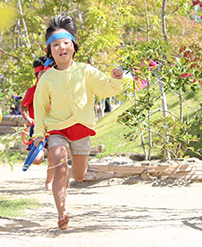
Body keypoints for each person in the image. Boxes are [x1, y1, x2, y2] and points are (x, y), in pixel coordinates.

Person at [33, 15, 124, 230]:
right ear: (50, 51)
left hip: (81, 128)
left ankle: (61, 172)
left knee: (80, 175)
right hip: (57, 129)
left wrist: (115, 80)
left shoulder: (86, 71)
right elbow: (39, 109)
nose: (61, 48)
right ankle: (62, 213)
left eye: (65, 43)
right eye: (55, 45)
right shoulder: (46, 79)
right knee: (61, 166)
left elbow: (106, 89)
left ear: (74, 47)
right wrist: (38, 135)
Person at [20, 56, 54, 190]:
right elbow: (23, 106)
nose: (45, 77)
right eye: (42, 74)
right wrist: (27, 118)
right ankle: (35, 152)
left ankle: (49, 182)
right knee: (37, 159)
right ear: (37, 75)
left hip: (53, 127)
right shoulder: (32, 91)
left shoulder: (55, 89)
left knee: (53, 158)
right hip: (37, 127)